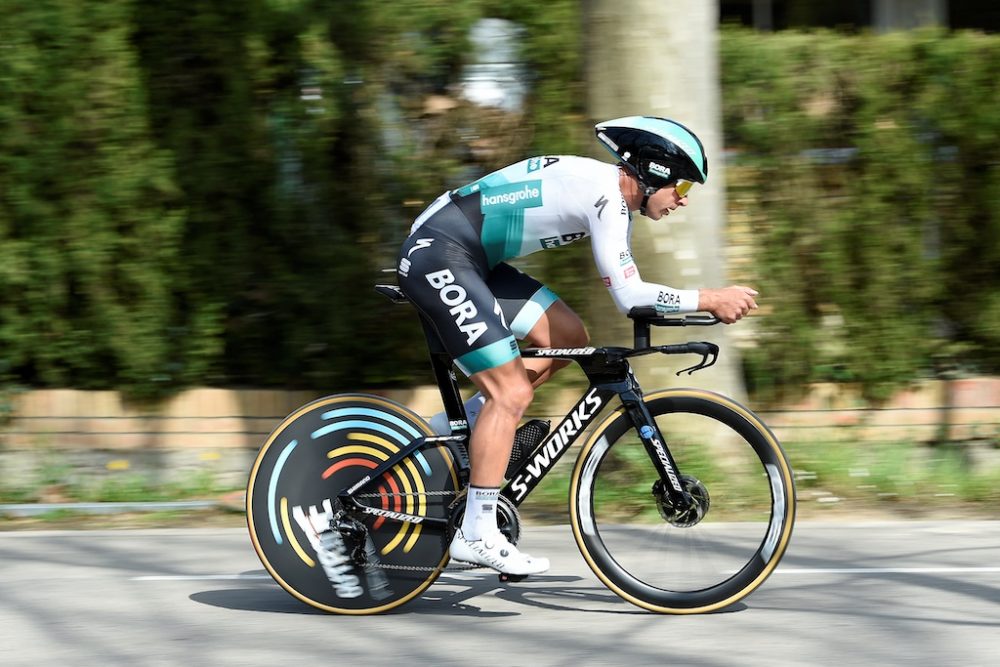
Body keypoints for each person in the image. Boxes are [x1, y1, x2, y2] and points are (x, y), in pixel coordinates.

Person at [396, 116, 758, 575]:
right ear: (655, 173)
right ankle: (477, 531)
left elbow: (631, 293)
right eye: (682, 190)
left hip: (472, 260)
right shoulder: (604, 195)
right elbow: (629, 295)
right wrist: (709, 298)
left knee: (568, 338)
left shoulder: (609, 197)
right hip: (438, 252)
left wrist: (698, 307)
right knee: (512, 393)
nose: (681, 202)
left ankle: (460, 434)